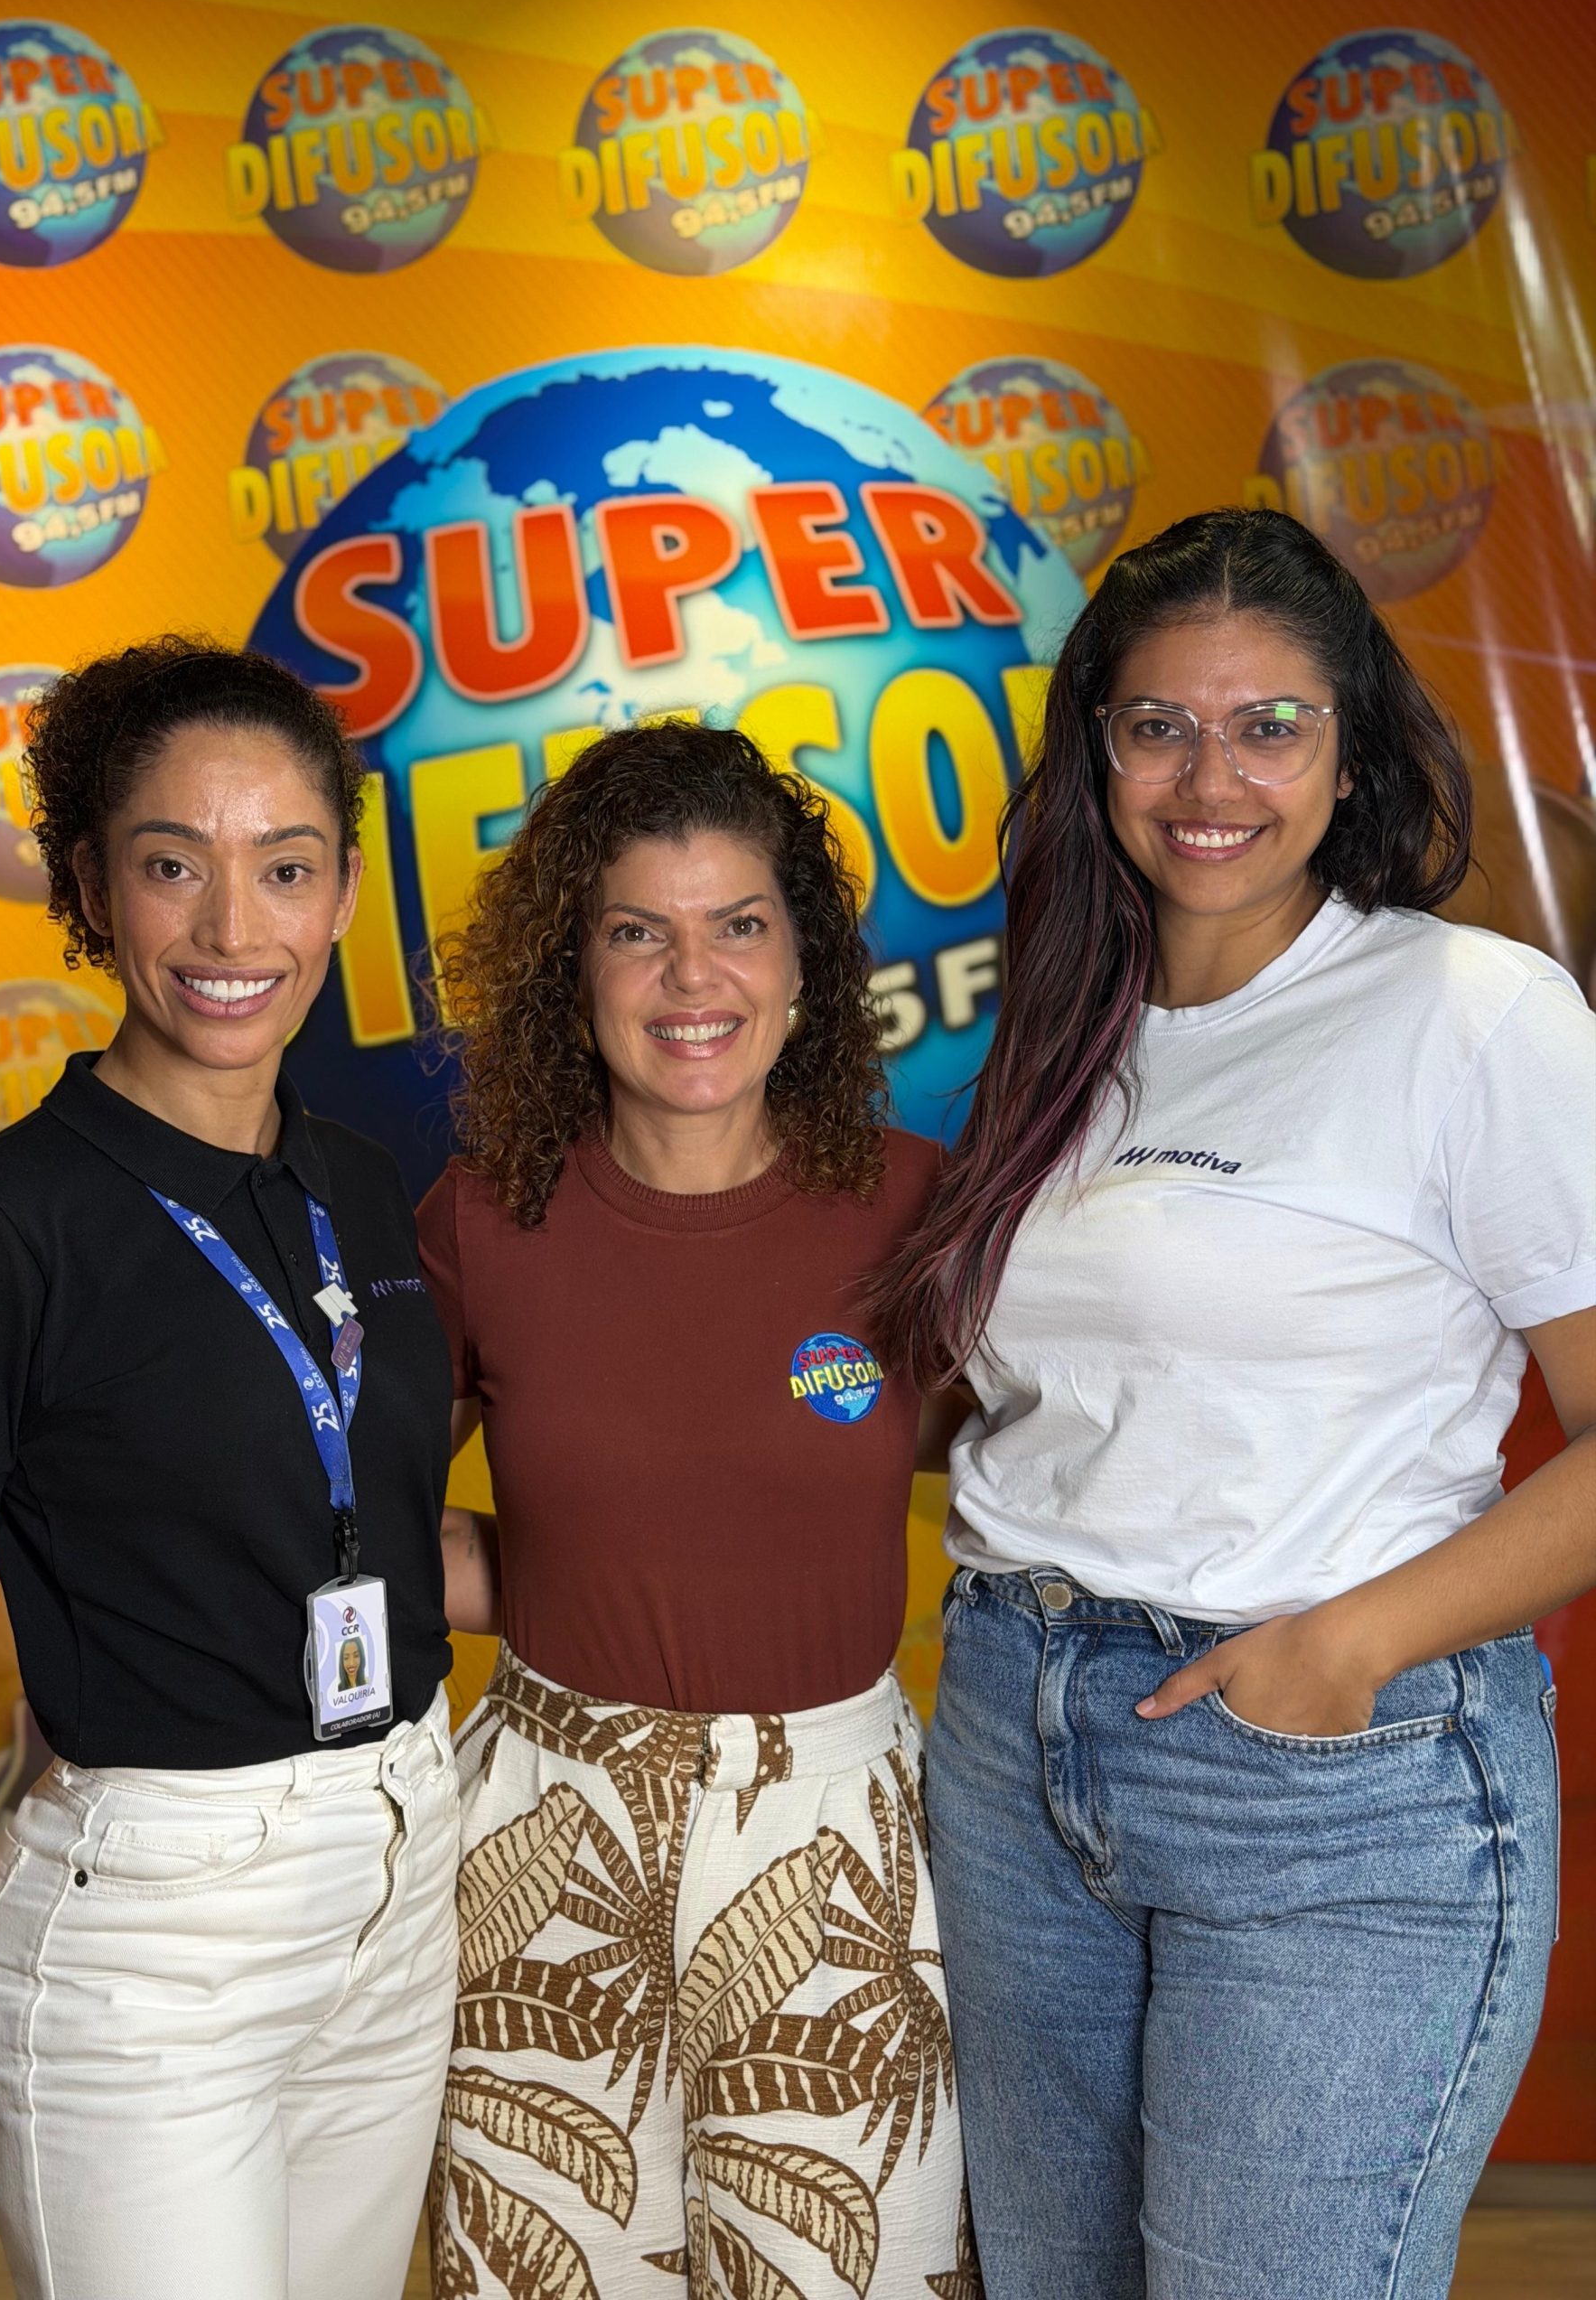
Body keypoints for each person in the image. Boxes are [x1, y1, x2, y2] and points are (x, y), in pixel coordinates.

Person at [873, 508, 1596, 2300]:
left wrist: (1347, 1647)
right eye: (1158, 726)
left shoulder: (1471, 1013)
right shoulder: (1063, 1027)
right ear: (1096, 750)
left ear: (1352, 751)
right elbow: (1036, 1396)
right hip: (1014, 1743)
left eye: (1271, 725)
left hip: (1324, 1778)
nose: (1211, 779)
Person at [0, 639, 467, 2300]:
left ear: (345, 894)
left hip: (401, 1868)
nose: (231, 929)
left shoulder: (362, 1182)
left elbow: (364, 1523)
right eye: (172, 865)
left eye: (285, 867)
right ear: (88, 887)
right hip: (153, 1929)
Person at [416, 722, 976, 2298]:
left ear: (803, 965)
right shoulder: (482, 1217)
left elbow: (1044, 1480)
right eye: (635, 933)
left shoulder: (917, 1206)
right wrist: (559, 1585)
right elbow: (360, 1528)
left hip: (836, 1832)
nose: (692, 978)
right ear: (572, 969)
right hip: (546, 1826)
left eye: (738, 924)